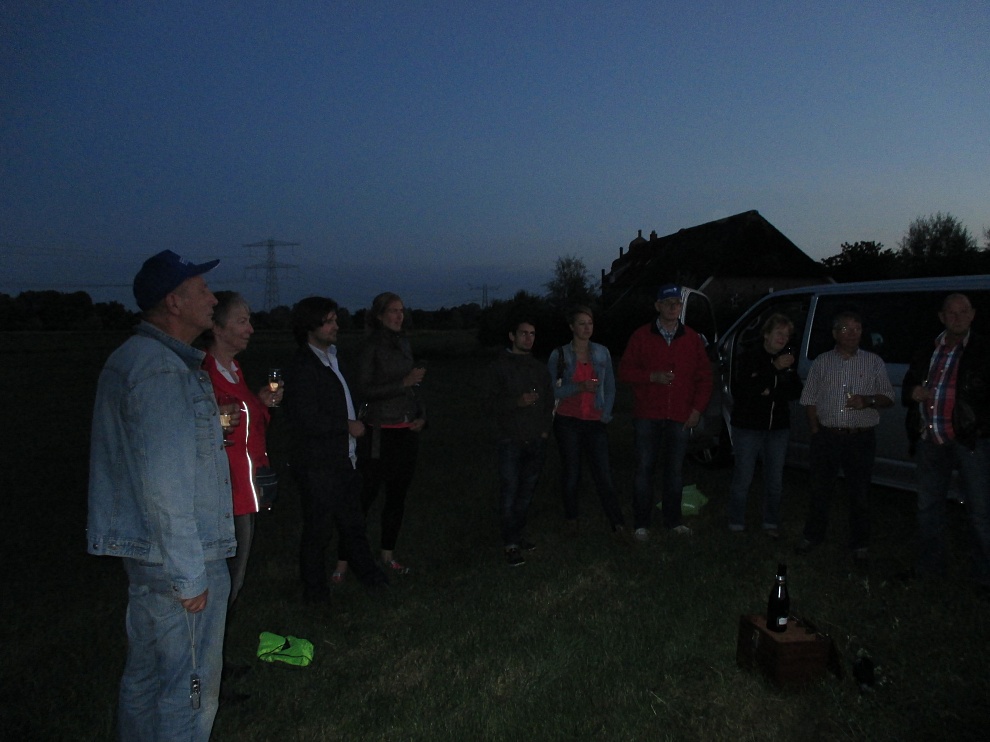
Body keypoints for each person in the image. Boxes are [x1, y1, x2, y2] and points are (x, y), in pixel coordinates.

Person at [87, 249, 235, 740]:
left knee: (147, 676)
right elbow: (166, 483)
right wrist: (190, 575)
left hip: (148, 554)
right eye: (202, 290)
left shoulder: (136, 358)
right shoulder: (161, 371)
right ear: (174, 302)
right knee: (188, 689)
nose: (212, 299)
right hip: (180, 557)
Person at [283, 297, 388, 605]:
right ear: (310, 326)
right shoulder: (302, 366)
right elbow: (305, 417)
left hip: (343, 459)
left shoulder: (333, 358)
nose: (336, 326)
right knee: (318, 530)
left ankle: (372, 579)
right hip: (318, 464)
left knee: (353, 524)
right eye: (328, 321)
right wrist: (346, 426)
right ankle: (315, 595)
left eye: (335, 320)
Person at [202, 291, 280, 684]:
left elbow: (247, 423)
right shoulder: (202, 372)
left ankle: (214, 661)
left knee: (233, 584)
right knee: (220, 587)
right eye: (242, 320)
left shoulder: (234, 369)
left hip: (245, 492)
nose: (250, 328)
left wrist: (263, 403)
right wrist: (214, 421)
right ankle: (207, 670)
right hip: (222, 495)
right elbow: (200, 426)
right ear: (217, 328)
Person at [902, 293, 990, 593]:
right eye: (951, 312)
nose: (957, 317)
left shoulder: (984, 350)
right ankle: (929, 569)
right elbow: (909, 382)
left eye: (963, 311)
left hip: (971, 441)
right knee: (928, 507)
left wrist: (978, 425)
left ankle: (985, 577)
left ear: (973, 314)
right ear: (941, 317)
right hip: (930, 438)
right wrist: (912, 391)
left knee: (980, 511)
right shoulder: (928, 347)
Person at [335, 292, 425, 582]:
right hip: (377, 433)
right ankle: (343, 561)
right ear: (379, 315)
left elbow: (413, 388)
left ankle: (387, 554)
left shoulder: (404, 343)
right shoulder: (370, 346)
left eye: (402, 310)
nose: (399, 316)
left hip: (405, 431)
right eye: (393, 311)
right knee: (364, 498)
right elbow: (363, 389)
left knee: (397, 497)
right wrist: (403, 382)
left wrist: (421, 415)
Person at [794, 310, 894, 566]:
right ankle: (812, 536)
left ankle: (860, 544)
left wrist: (868, 401)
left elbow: (888, 397)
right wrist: (815, 431)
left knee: (860, 493)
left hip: (860, 439)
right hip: (827, 437)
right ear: (835, 333)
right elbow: (809, 399)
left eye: (857, 329)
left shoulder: (873, 362)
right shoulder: (822, 362)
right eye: (846, 329)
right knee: (820, 490)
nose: (852, 334)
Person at [617, 284, 712, 540]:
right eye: (668, 303)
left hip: (679, 416)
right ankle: (641, 523)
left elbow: (705, 378)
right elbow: (624, 371)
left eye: (677, 304)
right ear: (657, 306)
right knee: (644, 469)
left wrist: (697, 409)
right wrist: (651, 377)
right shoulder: (641, 336)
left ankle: (673, 521)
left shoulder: (691, 338)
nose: (673, 307)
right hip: (648, 415)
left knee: (675, 471)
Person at [547, 305, 626, 535]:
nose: (586, 328)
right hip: (567, 421)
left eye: (590, 323)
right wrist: (579, 387)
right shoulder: (559, 355)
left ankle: (618, 523)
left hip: (594, 421)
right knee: (572, 472)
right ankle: (571, 518)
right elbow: (552, 391)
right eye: (581, 323)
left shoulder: (602, 352)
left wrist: (605, 414)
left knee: (604, 474)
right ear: (572, 327)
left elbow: (610, 387)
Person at [485, 314, 555, 566]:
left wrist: (544, 431)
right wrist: (516, 402)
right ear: (512, 336)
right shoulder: (499, 367)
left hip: (535, 440)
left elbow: (548, 402)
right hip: (510, 440)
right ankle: (510, 543)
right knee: (510, 491)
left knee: (526, 492)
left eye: (532, 334)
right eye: (523, 333)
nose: (528, 338)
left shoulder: (539, 368)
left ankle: (518, 533)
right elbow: (488, 404)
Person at [726, 314, 803, 537]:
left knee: (775, 479)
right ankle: (736, 521)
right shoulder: (749, 357)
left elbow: (795, 391)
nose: (783, 338)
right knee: (744, 476)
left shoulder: (787, 360)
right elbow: (744, 390)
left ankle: (770, 522)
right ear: (767, 334)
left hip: (778, 428)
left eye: (786, 334)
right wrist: (773, 369)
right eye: (779, 332)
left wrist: (769, 389)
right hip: (748, 427)